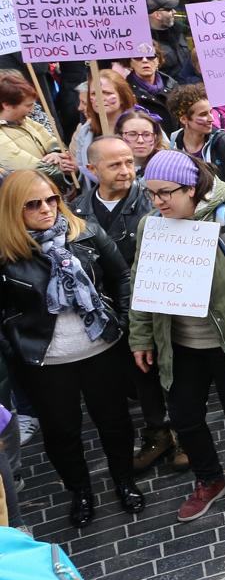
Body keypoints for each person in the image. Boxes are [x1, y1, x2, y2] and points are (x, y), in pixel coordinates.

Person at [130, 151, 225, 522]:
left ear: (192, 188)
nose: (157, 201)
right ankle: (208, 478)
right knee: (184, 417)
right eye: (151, 193)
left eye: (165, 193)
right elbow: (141, 283)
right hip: (178, 345)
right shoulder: (151, 224)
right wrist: (140, 337)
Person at [0, 170, 141, 528]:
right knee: (62, 432)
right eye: (33, 204)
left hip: (100, 347)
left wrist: (122, 321)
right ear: (14, 210)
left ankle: (124, 480)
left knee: (114, 423)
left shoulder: (86, 232)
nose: (46, 209)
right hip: (46, 359)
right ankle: (80, 491)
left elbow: (121, 276)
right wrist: (14, 341)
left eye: (51, 199)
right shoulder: (7, 253)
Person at [73, 136, 183, 473]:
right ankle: (158, 432)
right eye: (114, 165)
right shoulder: (78, 211)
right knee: (137, 375)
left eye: (128, 162)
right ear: (92, 169)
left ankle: (183, 434)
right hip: (111, 313)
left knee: (171, 372)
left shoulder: (154, 201)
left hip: (156, 305)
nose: (125, 171)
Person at [167, 84, 225, 188]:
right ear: (184, 119)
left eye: (210, 112)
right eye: (203, 114)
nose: (211, 119)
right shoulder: (174, 146)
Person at [0, 71, 75, 188]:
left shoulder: (24, 121)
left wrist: (56, 154)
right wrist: (64, 170)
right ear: (7, 105)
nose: (32, 110)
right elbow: (31, 168)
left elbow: (54, 142)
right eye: (28, 105)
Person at [126, 45, 177, 133]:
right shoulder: (125, 91)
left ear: (158, 60)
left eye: (150, 56)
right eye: (138, 57)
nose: (145, 60)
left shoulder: (173, 86)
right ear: (130, 63)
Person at [115, 110, 166, 174]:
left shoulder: (166, 166)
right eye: (132, 134)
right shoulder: (110, 167)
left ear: (155, 137)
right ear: (120, 136)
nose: (140, 140)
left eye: (147, 134)